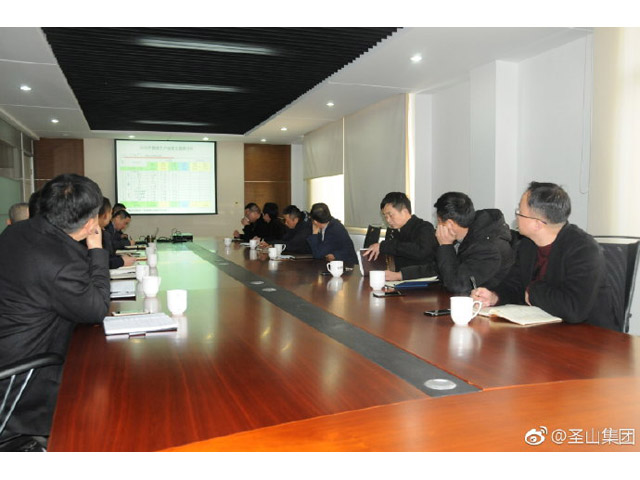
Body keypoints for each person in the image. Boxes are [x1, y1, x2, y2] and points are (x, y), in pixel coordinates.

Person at [0, 173, 110, 447]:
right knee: (103, 390)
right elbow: (97, 308)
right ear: (90, 223)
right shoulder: (59, 262)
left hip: (11, 342)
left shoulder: (19, 231)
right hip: (19, 375)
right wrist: (96, 249)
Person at [472, 182, 614, 327]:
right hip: (547, 328)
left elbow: (574, 309)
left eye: (519, 212)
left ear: (537, 224)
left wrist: (533, 291)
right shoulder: (527, 244)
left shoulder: (583, 250)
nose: (516, 217)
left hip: (589, 333)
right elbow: (515, 284)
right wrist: (494, 297)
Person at [403, 192, 514, 294]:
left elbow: (458, 285)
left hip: (489, 305)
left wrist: (445, 245)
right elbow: (439, 269)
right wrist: (401, 275)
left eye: (439, 222)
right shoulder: (466, 236)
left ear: (450, 224)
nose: (437, 227)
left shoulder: (487, 248)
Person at [363, 192, 438, 281]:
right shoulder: (396, 231)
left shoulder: (424, 227)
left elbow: (421, 251)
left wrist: (384, 246)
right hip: (399, 280)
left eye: (390, 215)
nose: (388, 220)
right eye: (385, 216)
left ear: (404, 212)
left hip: (422, 281)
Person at [99, 197, 135, 268]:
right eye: (110, 213)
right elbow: (103, 261)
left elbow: (110, 254)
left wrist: (120, 257)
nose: (111, 216)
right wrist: (122, 261)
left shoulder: (108, 230)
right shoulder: (106, 229)